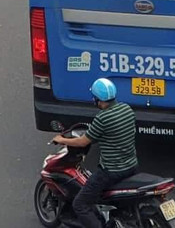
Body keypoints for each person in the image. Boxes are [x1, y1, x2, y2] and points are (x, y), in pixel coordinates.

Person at [53, 78, 138, 228]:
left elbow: (83, 142)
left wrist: (62, 140)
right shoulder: (127, 109)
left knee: (80, 204)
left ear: (98, 100)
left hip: (111, 171)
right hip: (131, 166)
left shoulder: (102, 118)